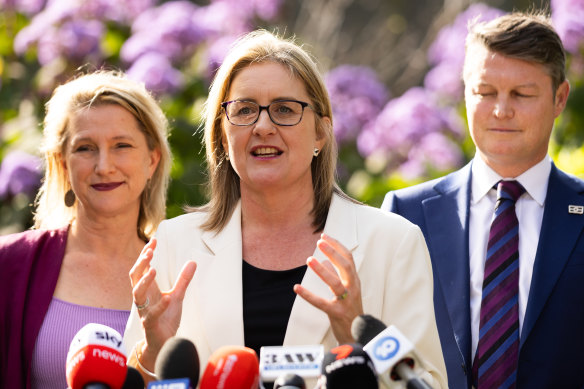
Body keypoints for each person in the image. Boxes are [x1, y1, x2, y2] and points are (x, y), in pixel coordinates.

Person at [123, 30, 447, 388]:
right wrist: (154, 351)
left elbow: (428, 383)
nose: (263, 126)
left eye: (284, 110)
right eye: (244, 110)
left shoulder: (393, 242)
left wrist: (356, 345)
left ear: (321, 134)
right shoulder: (175, 243)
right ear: (221, 135)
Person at [382, 11, 584, 389]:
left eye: (522, 94)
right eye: (485, 92)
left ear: (560, 98)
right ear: (464, 92)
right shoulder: (405, 214)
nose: (501, 110)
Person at [0, 70, 171, 389]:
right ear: (63, 163)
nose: (104, 165)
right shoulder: (8, 264)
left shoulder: (178, 271)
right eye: (85, 148)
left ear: (152, 160)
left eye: (121, 145)